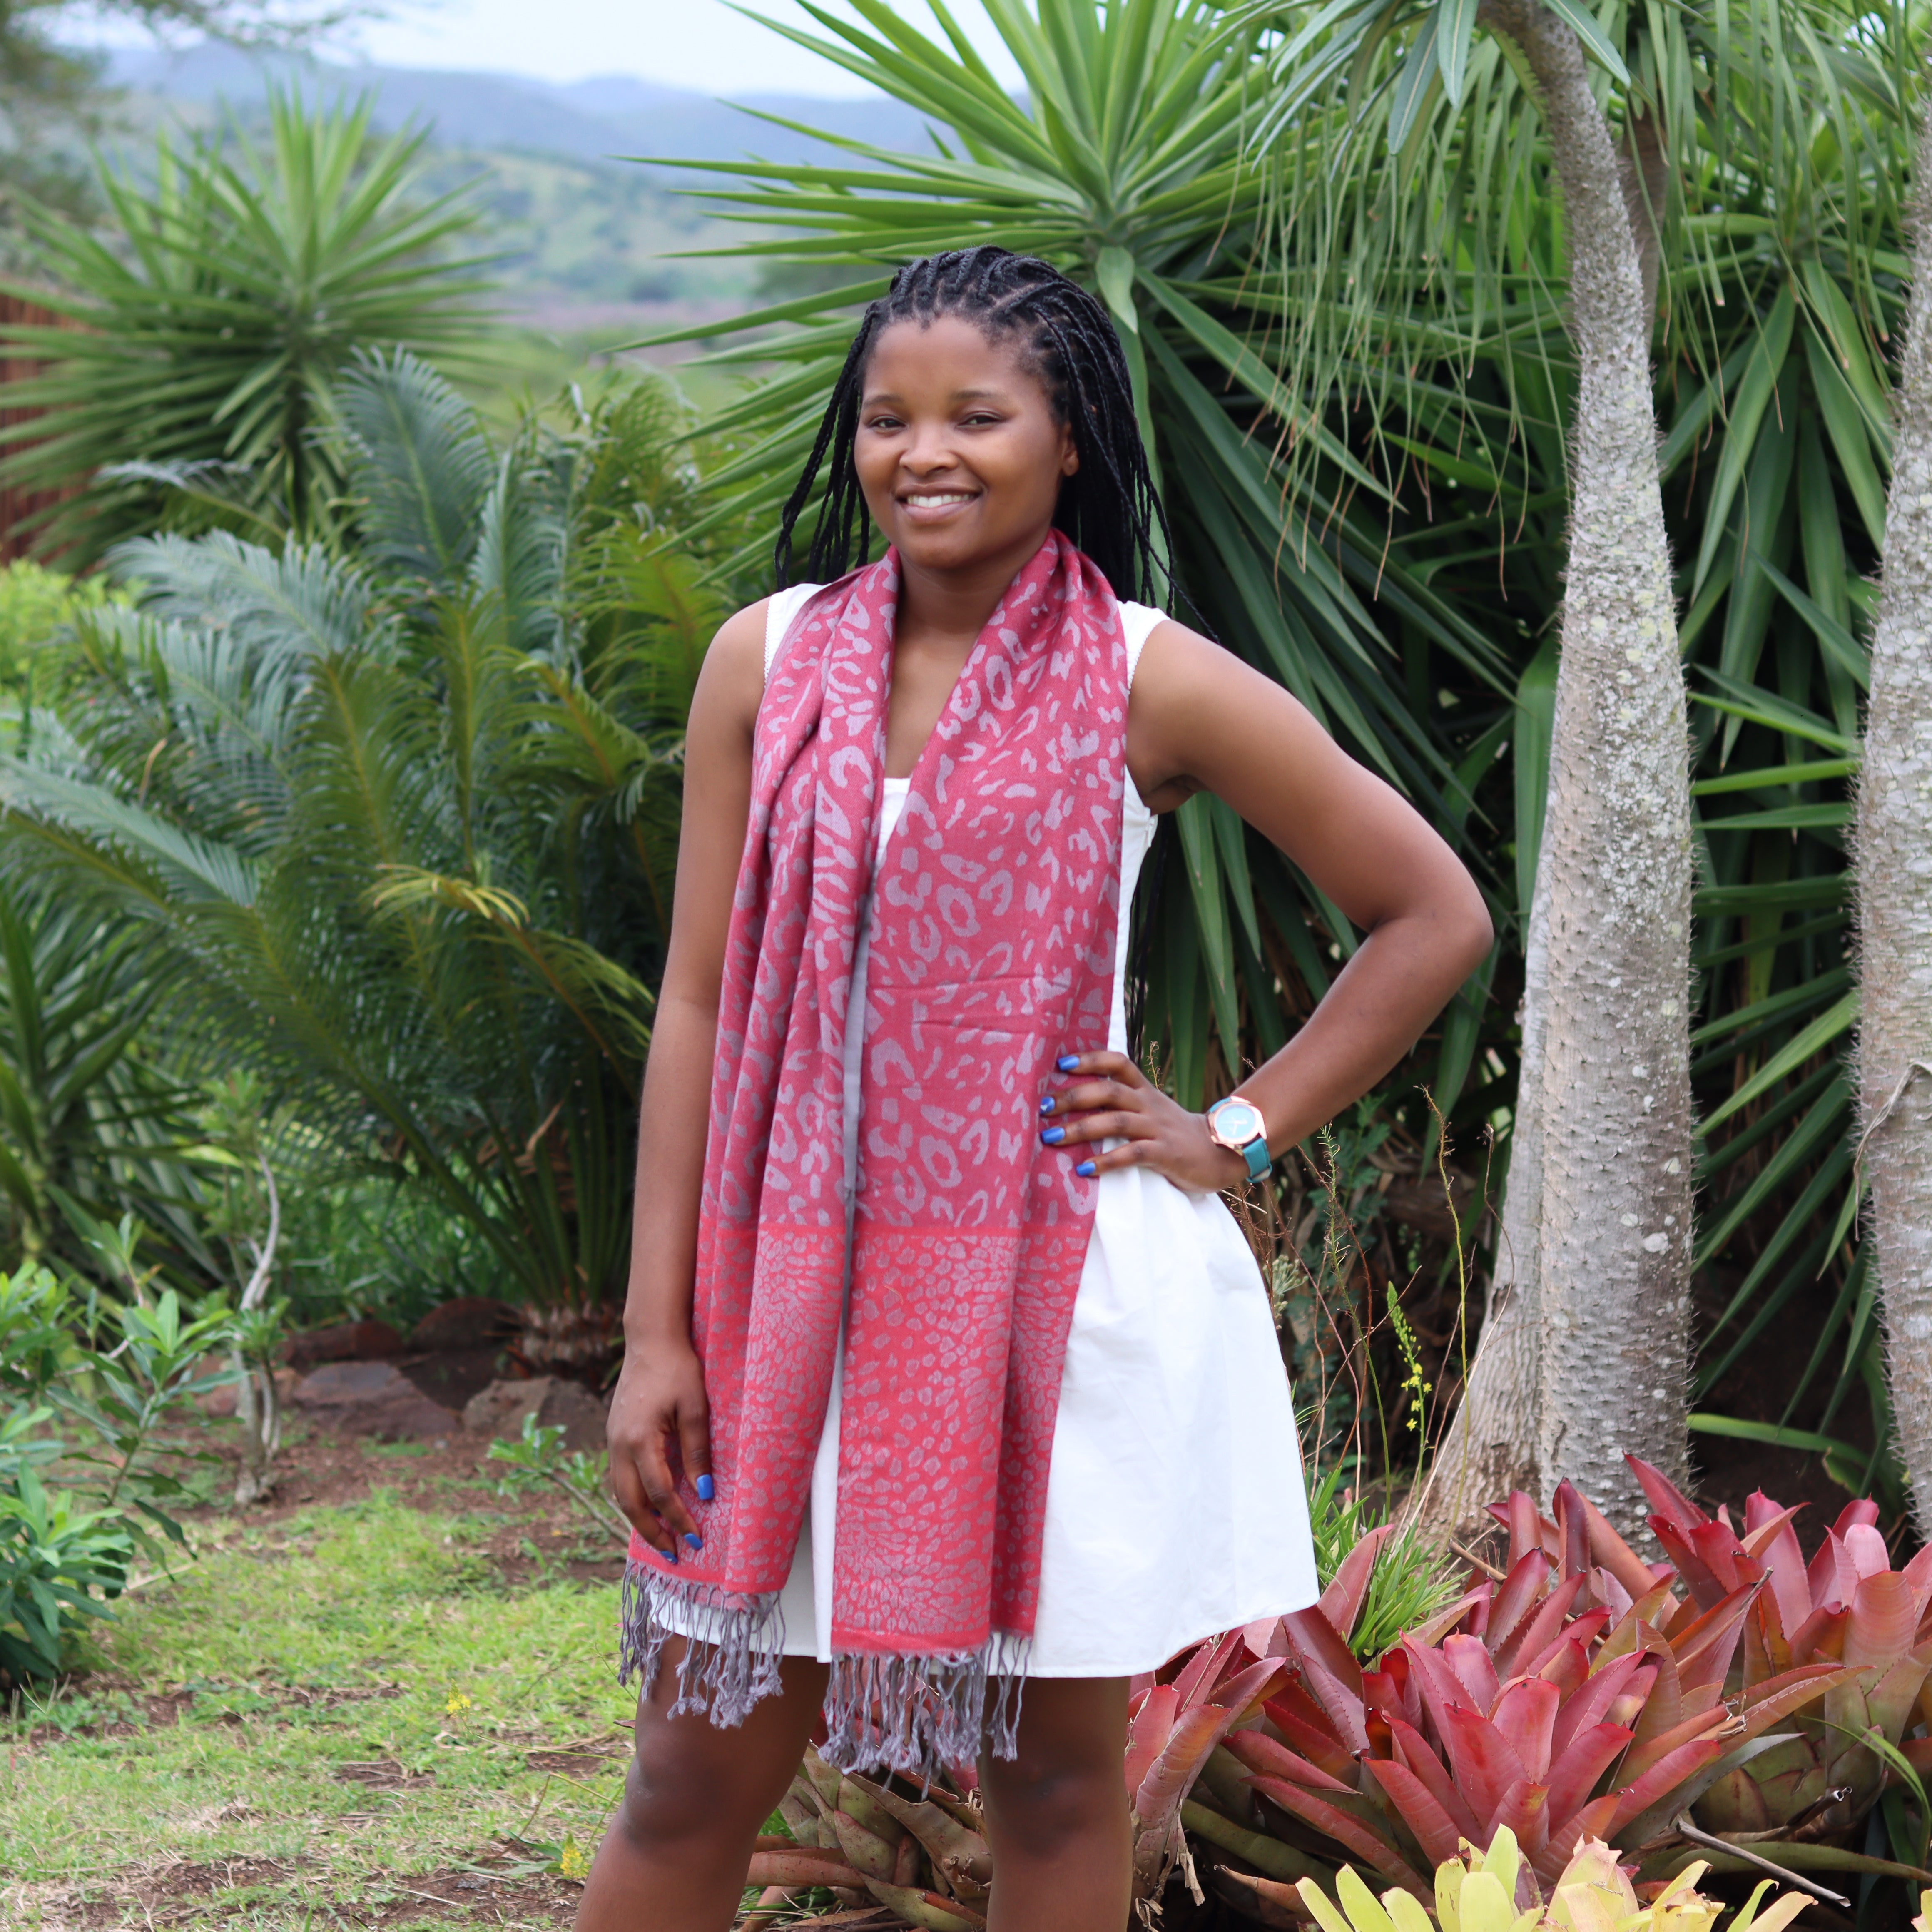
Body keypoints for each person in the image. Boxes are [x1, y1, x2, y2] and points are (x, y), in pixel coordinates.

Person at [578, 246, 1492, 1932]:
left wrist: (1229, 1127)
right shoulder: (763, 663)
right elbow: (697, 997)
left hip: (1051, 1305)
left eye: (974, 416)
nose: (922, 452)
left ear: (1065, 436)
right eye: (886, 419)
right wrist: (655, 1332)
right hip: (783, 1294)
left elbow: (1430, 913)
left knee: (1059, 1785)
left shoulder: (1151, 677)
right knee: (693, 1768)